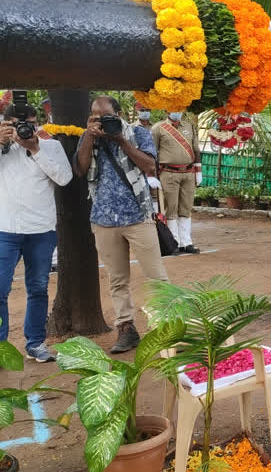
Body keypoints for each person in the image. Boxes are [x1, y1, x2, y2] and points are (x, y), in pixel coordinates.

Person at [74, 95, 168, 354]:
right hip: (104, 220)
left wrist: (122, 141)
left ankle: (169, 329)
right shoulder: (89, 138)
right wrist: (90, 136)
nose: (103, 121)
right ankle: (126, 330)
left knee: (157, 277)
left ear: (120, 113)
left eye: (108, 116)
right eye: (97, 116)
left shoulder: (138, 133)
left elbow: (150, 166)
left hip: (137, 217)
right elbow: (80, 170)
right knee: (118, 280)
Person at [0, 101, 72, 376]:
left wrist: (34, 148)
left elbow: (65, 178)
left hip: (40, 231)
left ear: (37, 122)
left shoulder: (50, 146)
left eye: (30, 123)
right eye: (17, 124)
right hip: (3, 230)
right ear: (3, 122)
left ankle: (35, 344)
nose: (25, 128)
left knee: (38, 289)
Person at [151, 111, 202, 253]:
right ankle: (174, 242)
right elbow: (152, 153)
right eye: (174, 109)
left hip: (188, 173)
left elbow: (196, 150)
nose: (177, 112)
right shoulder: (158, 128)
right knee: (171, 208)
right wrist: (152, 175)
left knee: (186, 208)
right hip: (168, 173)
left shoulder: (189, 126)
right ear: (167, 110)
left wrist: (199, 171)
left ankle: (187, 242)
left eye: (179, 109)